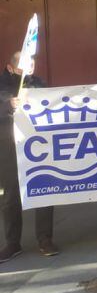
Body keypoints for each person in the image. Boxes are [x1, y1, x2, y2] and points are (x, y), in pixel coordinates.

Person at [1, 52, 58, 262]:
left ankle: (45, 239)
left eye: (32, 65)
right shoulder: (2, 86)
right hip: (8, 146)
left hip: (36, 146)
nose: (29, 69)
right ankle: (12, 243)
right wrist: (8, 105)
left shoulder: (39, 84)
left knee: (43, 188)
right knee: (11, 195)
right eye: (24, 65)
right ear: (10, 67)